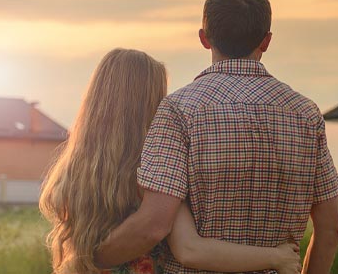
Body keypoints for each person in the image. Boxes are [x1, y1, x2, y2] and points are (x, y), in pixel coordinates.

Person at [93, 0, 338, 274]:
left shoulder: (179, 110)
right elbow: (331, 229)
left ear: (204, 38)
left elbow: (154, 224)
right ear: (266, 41)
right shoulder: (306, 115)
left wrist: (89, 258)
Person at [40, 48, 303, 274]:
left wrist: (90, 259)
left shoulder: (73, 170)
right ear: (149, 101)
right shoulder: (153, 165)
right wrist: (276, 257)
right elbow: (190, 248)